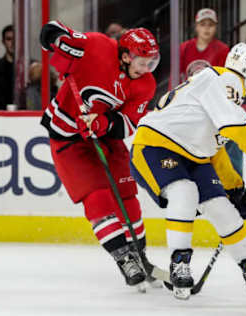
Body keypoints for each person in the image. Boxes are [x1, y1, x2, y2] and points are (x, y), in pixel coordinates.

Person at [130, 43, 246, 302]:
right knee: (184, 191)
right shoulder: (222, 81)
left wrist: (233, 188)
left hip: (193, 155)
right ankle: (180, 264)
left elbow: (215, 149)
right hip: (156, 145)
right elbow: (234, 128)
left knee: (223, 208)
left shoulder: (217, 88)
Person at [39, 21, 162, 291]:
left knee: (128, 198)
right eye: (143, 62)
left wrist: (102, 124)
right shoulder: (98, 45)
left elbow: (129, 123)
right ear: (126, 55)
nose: (147, 69)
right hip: (68, 137)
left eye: (152, 62)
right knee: (98, 198)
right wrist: (56, 41)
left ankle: (140, 255)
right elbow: (55, 31)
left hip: (106, 139)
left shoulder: (146, 84)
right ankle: (124, 259)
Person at [178, 8, 229, 83]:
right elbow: (175, 76)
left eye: (211, 25)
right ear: (196, 27)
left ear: (216, 28)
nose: (207, 28)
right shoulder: (184, 48)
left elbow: (224, 78)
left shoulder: (223, 50)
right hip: (188, 91)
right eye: (202, 24)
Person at [0, 24, 14, 105]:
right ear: (3, 42)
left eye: (15, 39)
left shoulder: (30, 67)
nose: (12, 42)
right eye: (9, 39)